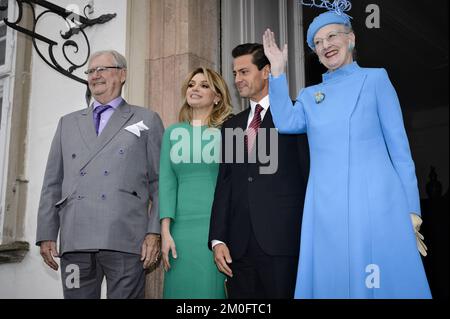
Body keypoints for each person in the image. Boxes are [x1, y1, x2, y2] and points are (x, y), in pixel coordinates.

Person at [263, 10, 432, 298]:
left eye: (331, 36)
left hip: (377, 205)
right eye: (317, 42)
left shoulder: (376, 79)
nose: (325, 45)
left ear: (350, 39)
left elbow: (400, 151)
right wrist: (277, 72)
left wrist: (411, 209)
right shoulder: (308, 95)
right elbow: (286, 122)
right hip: (326, 210)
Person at [36, 50, 164, 299]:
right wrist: (46, 233)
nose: (96, 76)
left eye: (103, 69)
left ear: (122, 74)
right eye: (91, 71)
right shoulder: (67, 123)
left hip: (126, 240)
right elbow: (52, 183)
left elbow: (160, 182)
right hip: (75, 240)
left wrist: (154, 232)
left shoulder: (146, 119)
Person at [208, 43, 309, 299]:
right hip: (238, 248)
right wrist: (218, 239)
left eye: (244, 72)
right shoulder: (232, 125)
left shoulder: (295, 114)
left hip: (283, 241)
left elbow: (308, 175)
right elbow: (226, 184)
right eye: (235, 73)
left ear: (266, 72)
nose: (237, 79)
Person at [159, 67, 233, 299]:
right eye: (191, 85)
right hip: (180, 232)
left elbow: (236, 184)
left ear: (217, 96)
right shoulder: (172, 133)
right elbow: (167, 183)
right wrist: (165, 231)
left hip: (218, 229)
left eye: (203, 85)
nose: (195, 89)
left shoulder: (228, 132)